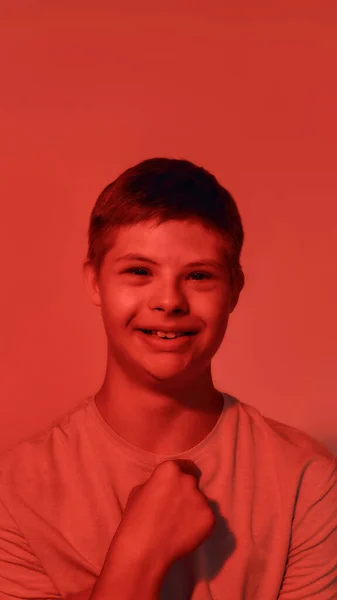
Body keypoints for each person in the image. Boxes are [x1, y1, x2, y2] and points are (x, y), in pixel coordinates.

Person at [0, 158, 336, 600]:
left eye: (198, 276)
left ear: (234, 289)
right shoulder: (18, 491)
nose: (169, 300)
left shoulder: (306, 483)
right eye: (139, 271)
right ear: (95, 281)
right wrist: (140, 555)